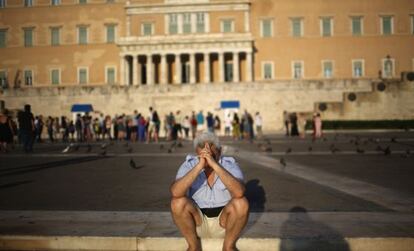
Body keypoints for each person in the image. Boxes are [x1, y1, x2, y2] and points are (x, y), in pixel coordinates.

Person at [170, 132, 249, 251]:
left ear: (220, 151)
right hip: (197, 222)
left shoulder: (230, 165)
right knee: (177, 203)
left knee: (241, 203)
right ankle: (193, 246)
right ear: (197, 152)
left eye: (212, 155)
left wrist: (214, 164)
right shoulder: (189, 164)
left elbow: (239, 192)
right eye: (203, 155)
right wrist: (199, 166)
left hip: (225, 223)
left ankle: (228, 247)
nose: (208, 158)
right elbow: (175, 192)